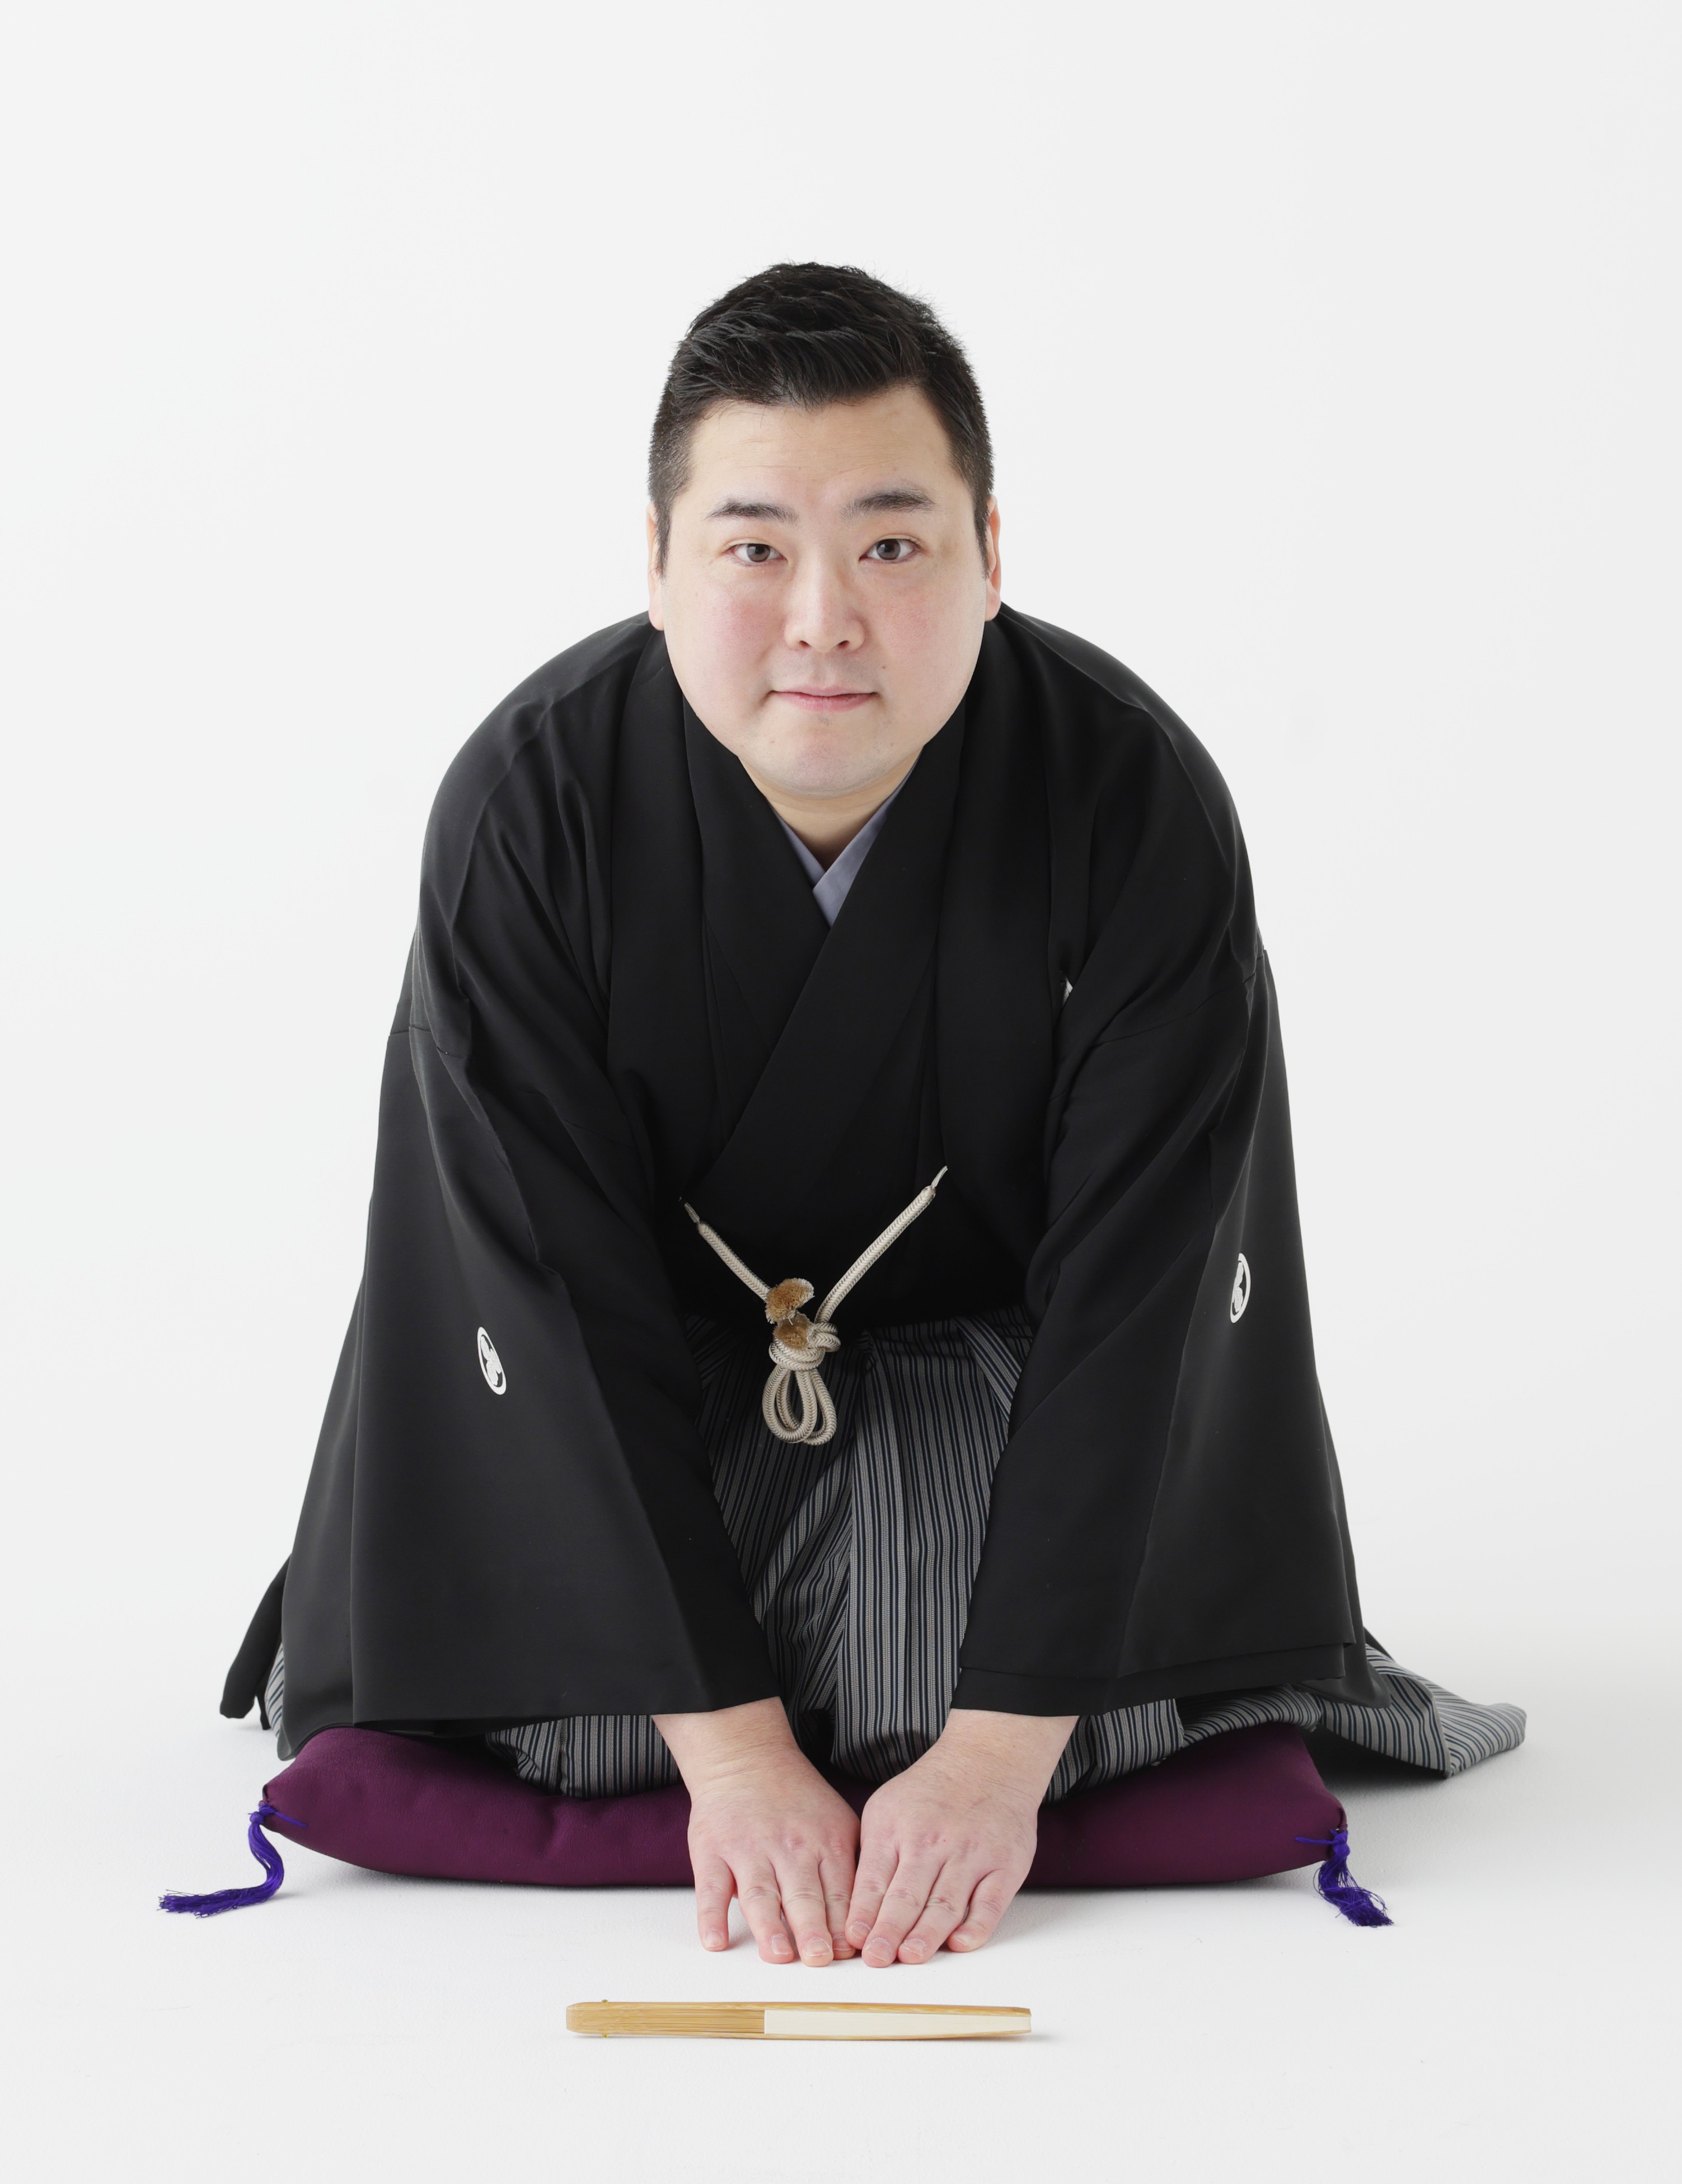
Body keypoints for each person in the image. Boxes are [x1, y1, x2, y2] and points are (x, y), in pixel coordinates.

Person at [224, 263, 1522, 1970]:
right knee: (571, 1655)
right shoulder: (532, 806)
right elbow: (536, 1293)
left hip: (1000, 1394)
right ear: (657, 563)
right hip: (632, 1395)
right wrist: (734, 1758)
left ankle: (963, 1700)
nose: (824, 618)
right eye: (754, 547)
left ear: (992, 554)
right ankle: (766, 1701)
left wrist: (993, 1763)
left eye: (893, 545)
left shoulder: (1128, 795)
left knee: (978, 1662)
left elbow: (1139, 1298)